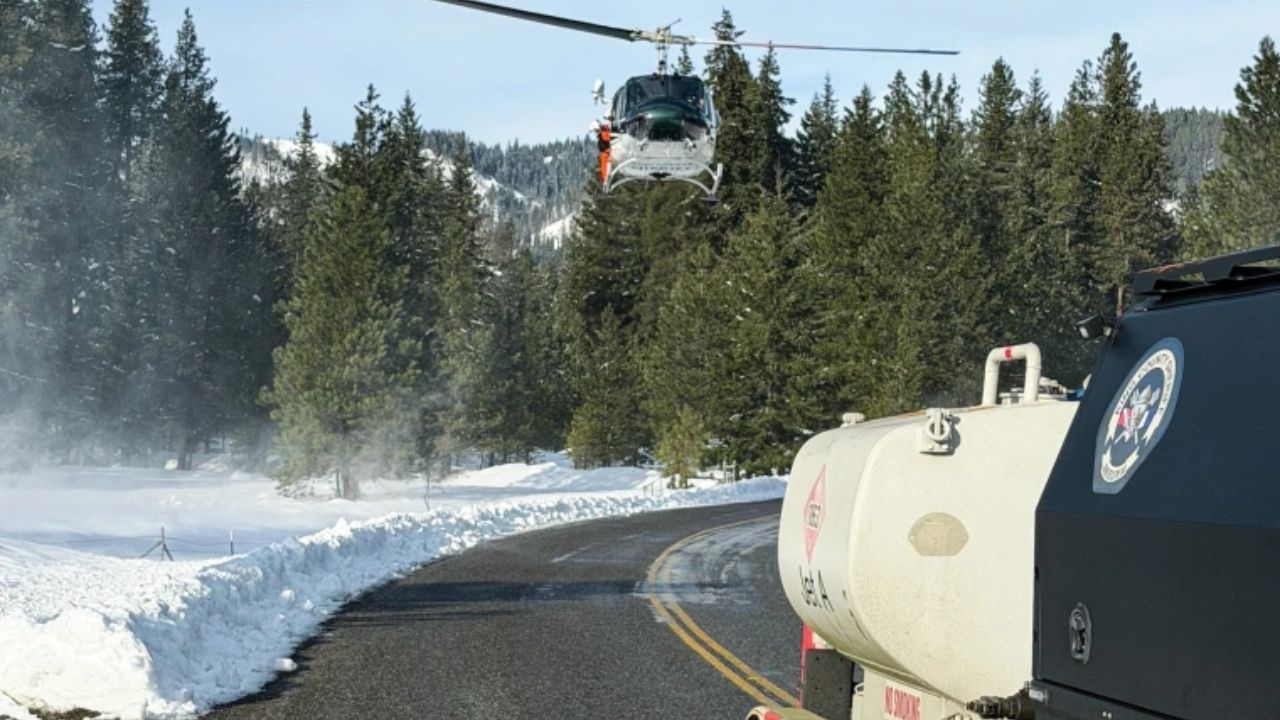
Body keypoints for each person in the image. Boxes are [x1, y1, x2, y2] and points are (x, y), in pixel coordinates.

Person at [594, 118, 612, 186]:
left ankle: (606, 179)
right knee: (604, 160)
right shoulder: (603, 133)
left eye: (596, 131)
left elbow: (608, 139)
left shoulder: (605, 132)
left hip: (609, 152)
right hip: (607, 151)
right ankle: (605, 179)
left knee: (605, 160)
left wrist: (607, 149)